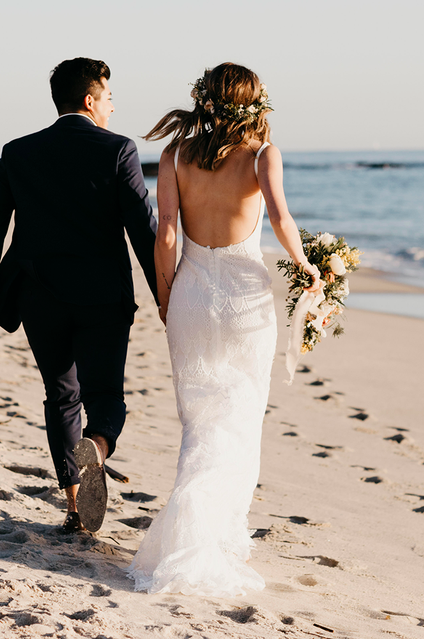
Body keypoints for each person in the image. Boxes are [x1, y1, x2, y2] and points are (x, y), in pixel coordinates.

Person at [127, 63, 322, 596]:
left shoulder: (173, 156)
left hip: (191, 293)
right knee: (239, 415)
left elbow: (165, 232)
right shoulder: (263, 155)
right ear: (253, 103)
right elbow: (280, 218)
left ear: (205, 101)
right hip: (243, 299)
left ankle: (199, 532)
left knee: (199, 421)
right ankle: (218, 535)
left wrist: (166, 297)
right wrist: (307, 265)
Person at [0, 57, 158, 533]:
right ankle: (97, 445)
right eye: (109, 98)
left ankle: (74, 503)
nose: (113, 107)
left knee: (60, 396)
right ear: (91, 101)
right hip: (101, 297)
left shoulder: (19, 151)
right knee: (105, 397)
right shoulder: (118, 150)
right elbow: (143, 229)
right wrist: (166, 295)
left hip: (39, 297)